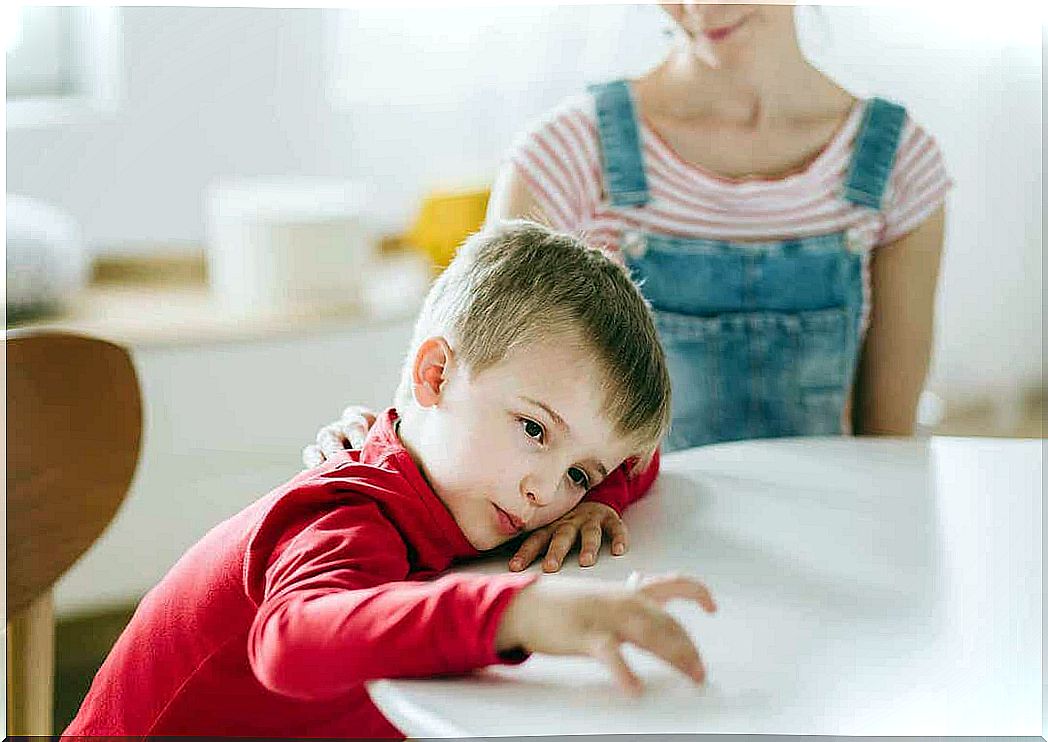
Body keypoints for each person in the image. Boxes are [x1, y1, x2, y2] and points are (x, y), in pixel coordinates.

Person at [304, 3, 951, 574]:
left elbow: (884, 454)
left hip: (818, 553)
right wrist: (370, 441)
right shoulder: (567, 153)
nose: (697, 7)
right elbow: (451, 397)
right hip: (625, 560)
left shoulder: (900, 164)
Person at [64, 221, 716, 738]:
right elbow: (292, 641)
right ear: (435, 376)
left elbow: (638, 459)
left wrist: (595, 499)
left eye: (577, 471)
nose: (545, 492)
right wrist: (523, 611)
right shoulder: (351, 514)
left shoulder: (467, 485)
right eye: (535, 430)